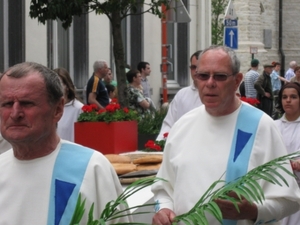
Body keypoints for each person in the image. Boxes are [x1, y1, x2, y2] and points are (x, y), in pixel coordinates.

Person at [151, 46, 300, 225]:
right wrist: (164, 209)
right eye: (203, 76)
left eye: (220, 76)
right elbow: (163, 188)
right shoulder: (182, 126)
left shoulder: (261, 126)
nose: (210, 83)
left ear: (237, 80)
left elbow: (289, 200)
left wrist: (254, 211)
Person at [0, 62, 131, 224]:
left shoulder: (92, 168)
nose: (15, 113)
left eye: (27, 103)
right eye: (7, 104)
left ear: (57, 109)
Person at [156, 50, 202, 140]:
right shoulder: (181, 94)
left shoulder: (216, 94)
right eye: (193, 67)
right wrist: (160, 144)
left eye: (199, 67)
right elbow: (169, 124)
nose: (196, 71)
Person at [274, 82, 300, 225]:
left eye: (293, 97)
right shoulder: (273, 126)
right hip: (277, 190)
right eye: (284, 97)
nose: (288, 100)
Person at [53, 67, 84, 142]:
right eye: (53, 85)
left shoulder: (78, 108)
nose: (55, 88)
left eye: (59, 84)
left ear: (67, 86)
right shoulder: (48, 108)